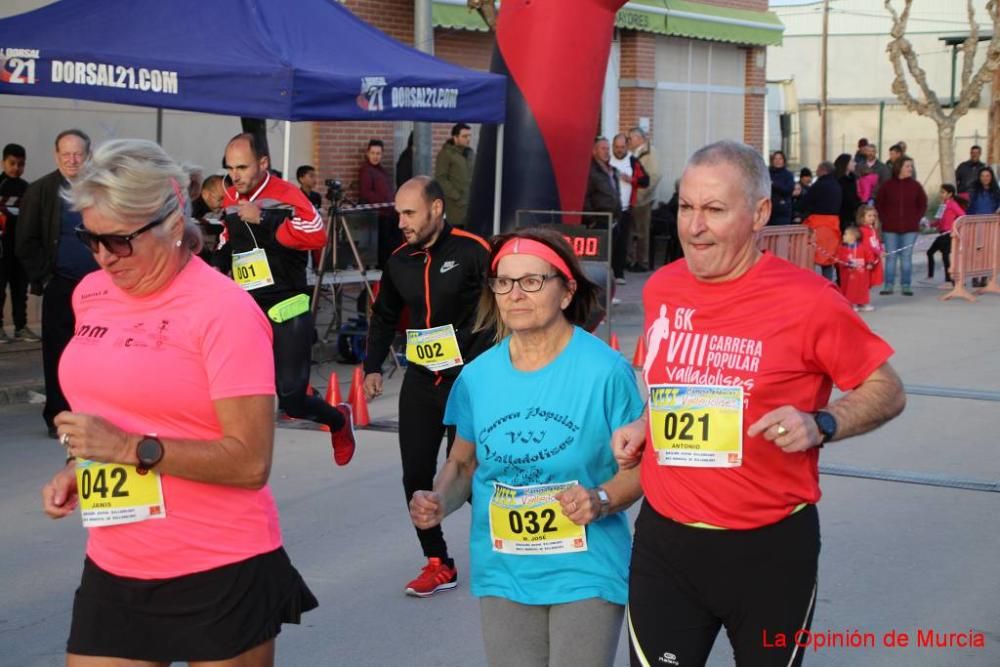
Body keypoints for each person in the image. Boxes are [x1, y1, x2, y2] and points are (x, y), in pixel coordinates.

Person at [615, 140, 905, 667]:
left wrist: (823, 422)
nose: (693, 227)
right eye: (685, 207)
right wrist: (645, 423)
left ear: (760, 213)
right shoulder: (661, 289)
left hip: (769, 550)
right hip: (666, 543)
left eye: (714, 210)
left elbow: (888, 389)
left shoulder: (808, 300)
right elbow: (676, 387)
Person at [40, 138, 317, 666]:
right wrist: (80, 464)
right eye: (89, 238)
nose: (102, 257)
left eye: (119, 241)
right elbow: (115, 406)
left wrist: (129, 448)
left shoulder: (224, 311)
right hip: (115, 564)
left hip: (218, 566)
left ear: (171, 224)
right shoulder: (90, 294)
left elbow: (250, 462)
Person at [409, 227, 644, 667]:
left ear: (566, 291)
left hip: (585, 567)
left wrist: (601, 499)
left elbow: (639, 469)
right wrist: (440, 499)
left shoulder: (606, 372)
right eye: (504, 281)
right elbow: (462, 464)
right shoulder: (478, 377)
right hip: (504, 569)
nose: (515, 294)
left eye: (532, 281)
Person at [364, 176, 492, 596]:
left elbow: (505, 302)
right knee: (416, 476)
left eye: (409, 213)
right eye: (398, 213)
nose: (401, 222)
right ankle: (437, 561)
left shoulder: (473, 250)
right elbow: (384, 315)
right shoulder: (399, 260)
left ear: (436, 208)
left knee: (471, 475)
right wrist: (372, 366)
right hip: (422, 379)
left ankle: (515, 543)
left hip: (469, 381)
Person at [218, 133, 356, 464]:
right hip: (247, 309)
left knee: (292, 400)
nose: (235, 175)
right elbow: (228, 242)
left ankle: (338, 419)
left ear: (263, 164)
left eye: (243, 167)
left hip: (286, 304)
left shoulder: (287, 196)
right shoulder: (230, 197)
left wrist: (264, 218)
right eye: (230, 167)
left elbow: (316, 235)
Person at [17, 129, 98, 436]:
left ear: (88, 155)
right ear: (56, 156)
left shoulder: (100, 189)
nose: (72, 160)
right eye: (66, 154)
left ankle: (92, 415)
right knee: (59, 353)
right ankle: (58, 417)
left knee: (97, 353)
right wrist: (45, 278)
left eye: (78, 153)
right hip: (60, 284)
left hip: (99, 288)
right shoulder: (41, 191)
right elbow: (25, 241)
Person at [875, 157, 927, 296]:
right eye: (908, 166)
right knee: (891, 257)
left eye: (911, 166)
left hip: (910, 228)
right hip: (890, 228)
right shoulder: (887, 186)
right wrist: (884, 218)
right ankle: (888, 285)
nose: (911, 169)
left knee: (906, 256)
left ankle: (906, 285)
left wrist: (916, 218)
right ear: (899, 168)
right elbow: (879, 203)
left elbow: (922, 204)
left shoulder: (916, 186)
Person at [0, 142, 35, 343]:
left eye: (21, 164)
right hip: (2, 248)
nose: (16, 168)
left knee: (20, 288)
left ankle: (21, 327)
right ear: (3, 162)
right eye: (12, 163)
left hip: (20, 248)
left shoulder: (28, 188)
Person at [609, 133, 648, 285]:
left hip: (625, 209)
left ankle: (619, 273)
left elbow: (646, 180)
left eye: (622, 147)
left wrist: (631, 180)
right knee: (608, 242)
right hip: (607, 209)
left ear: (627, 146)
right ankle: (605, 272)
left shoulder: (632, 161)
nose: (619, 150)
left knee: (622, 242)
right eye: (616, 147)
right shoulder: (607, 159)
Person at [358, 138, 400, 268]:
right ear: (367, 153)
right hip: (378, 216)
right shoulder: (366, 170)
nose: (375, 156)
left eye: (378, 153)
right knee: (382, 249)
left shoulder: (381, 170)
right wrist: (384, 202)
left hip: (389, 213)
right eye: (373, 153)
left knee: (390, 247)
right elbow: (366, 192)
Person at [800, 161, 842, 280]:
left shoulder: (819, 185)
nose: (816, 172)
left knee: (811, 255)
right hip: (833, 224)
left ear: (823, 170)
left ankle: (811, 283)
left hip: (817, 224)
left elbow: (806, 202)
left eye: (818, 169)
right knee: (828, 257)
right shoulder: (836, 185)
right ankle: (827, 283)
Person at [627, 127, 661, 271]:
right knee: (630, 231)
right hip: (630, 198)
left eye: (631, 138)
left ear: (639, 138)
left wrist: (641, 194)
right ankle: (630, 260)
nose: (629, 141)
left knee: (642, 232)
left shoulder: (650, 153)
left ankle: (642, 262)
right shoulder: (632, 153)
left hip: (642, 199)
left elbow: (654, 175)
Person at [435, 123, 475, 228]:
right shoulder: (446, 154)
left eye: (469, 136)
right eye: (465, 136)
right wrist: (456, 196)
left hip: (470, 204)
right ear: (455, 137)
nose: (468, 139)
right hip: (455, 206)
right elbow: (441, 178)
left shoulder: (470, 154)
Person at [928, 184, 964, 285]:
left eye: (943, 192)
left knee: (945, 255)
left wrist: (955, 227)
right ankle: (931, 275)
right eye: (941, 192)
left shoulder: (952, 204)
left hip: (948, 234)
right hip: (942, 234)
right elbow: (939, 221)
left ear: (950, 194)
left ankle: (950, 280)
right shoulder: (942, 205)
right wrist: (929, 224)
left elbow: (962, 215)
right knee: (930, 252)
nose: (941, 194)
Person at [836, 225, 875, 311]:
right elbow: (840, 258)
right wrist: (846, 262)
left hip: (861, 273)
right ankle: (851, 303)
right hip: (849, 273)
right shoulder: (842, 248)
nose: (843, 236)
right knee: (850, 288)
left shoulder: (863, 247)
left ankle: (863, 303)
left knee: (862, 288)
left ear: (853, 237)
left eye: (846, 234)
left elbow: (869, 256)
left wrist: (870, 263)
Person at [857, 204, 884, 294]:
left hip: (874, 258)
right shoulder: (862, 230)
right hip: (867, 259)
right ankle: (860, 302)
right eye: (869, 216)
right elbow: (866, 245)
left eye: (874, 216)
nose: (872, 218)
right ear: (862, 217)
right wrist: (878, 252)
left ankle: (862, 302)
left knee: (869, 282)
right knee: (864, 282)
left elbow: (877, 241)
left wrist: (881, 250)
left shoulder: (873, 229)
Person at [834, 153, 860, 232]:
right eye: (852, 161)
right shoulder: (838, 180)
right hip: (841, 216)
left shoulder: (853, 178)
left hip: (851, 215)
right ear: (845, 164)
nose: (855, 163)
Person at [767, 150, 794, 226]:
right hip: (768, 210)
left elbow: (788, 190)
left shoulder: (788, 175)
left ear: (784, 161)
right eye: (775, 159)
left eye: (780, 159)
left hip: (782, 210)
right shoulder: (767, 173)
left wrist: (773, 184)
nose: (777, 161)